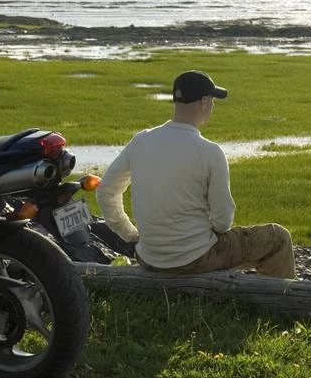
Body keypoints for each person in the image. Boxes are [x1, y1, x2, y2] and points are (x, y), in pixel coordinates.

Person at [96, 70, 296, 279]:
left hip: (149, 257)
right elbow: (222, 222)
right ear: (203, 102)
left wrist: (130, 234)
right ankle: (280, 301)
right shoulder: (210, 151)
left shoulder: (141, 140)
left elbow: (106, 191)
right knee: (278, 238)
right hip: (195, 259)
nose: (213, 106)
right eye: (212, 101)